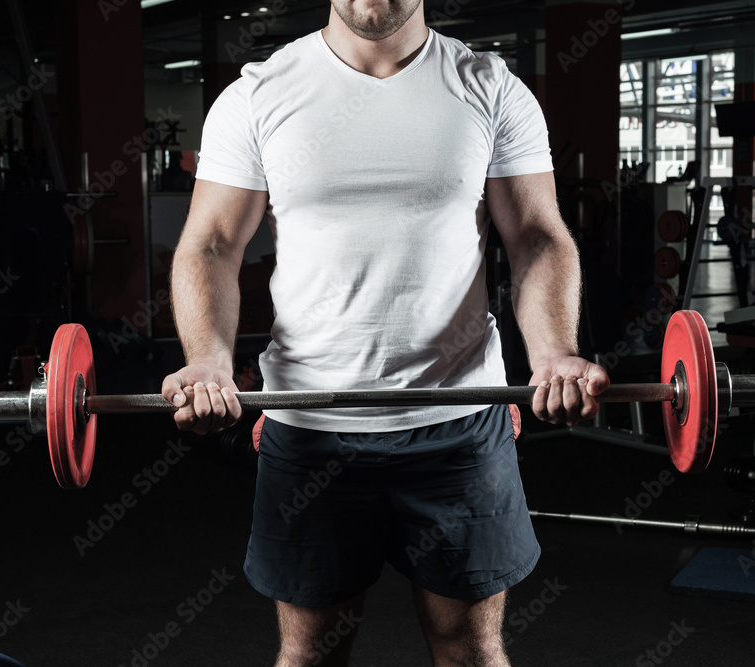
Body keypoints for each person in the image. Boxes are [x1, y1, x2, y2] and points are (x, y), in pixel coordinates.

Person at [161, 1, 609, 665]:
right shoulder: (258, 94)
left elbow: (537, 237)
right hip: (310, 426)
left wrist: (553, 355)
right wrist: (207, 362)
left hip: (460, 421)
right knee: (311, 651)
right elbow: (211, 244)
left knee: (472, 648)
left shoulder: (488, 85)